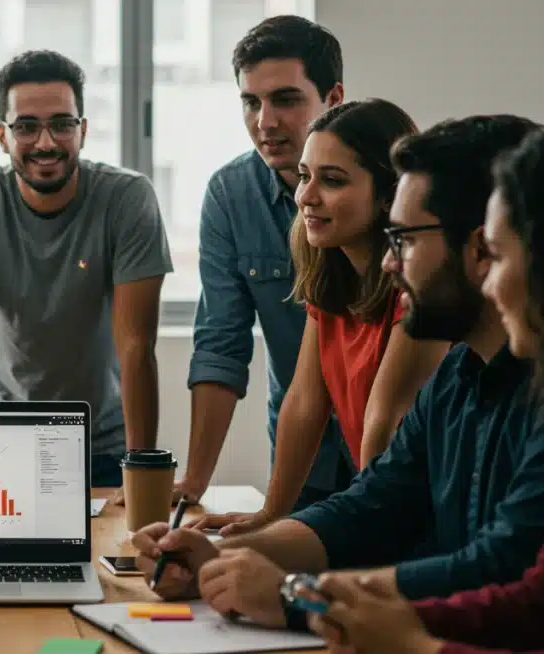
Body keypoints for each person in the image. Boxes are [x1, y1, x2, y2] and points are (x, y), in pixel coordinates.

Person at [131, 115, 544, 630]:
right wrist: (218, 554)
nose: (388, 262)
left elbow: (503, 568)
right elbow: (372, 504)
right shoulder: (458, 373)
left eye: (402, 238)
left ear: (477, 250)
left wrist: (298, 595)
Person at [307, 120, 544, 654]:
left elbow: (511, 570)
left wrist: (404, 638)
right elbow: (541, 595)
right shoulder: (456, 372)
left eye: (500, 255)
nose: (493, 283)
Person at [0, 49, 174, 489]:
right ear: (2, 135)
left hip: (104, 449)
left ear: (82, 130)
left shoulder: (127, 198)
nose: (45, 143)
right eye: (26, 126)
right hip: (3, 442)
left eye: (62, 124)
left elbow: (136, 345)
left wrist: (140, 473)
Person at [189, 99, 448, 535]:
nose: (305, 196)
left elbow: (382, 421)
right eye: (305, 176)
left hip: (421, 523)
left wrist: (360, 539)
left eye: (332, 180)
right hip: (377, 506)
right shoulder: (330, 278)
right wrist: (271, 514)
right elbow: (305, 401)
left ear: (388, 194)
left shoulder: (415, 291)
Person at [180, 15, 354, 510]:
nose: (265, 121)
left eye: (285, 99)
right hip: (304, 456)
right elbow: (221, 343)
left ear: (333, 99)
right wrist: (195, 481)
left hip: (394, 450)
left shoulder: (392, 185)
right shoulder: (231, 194)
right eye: (251, 101)